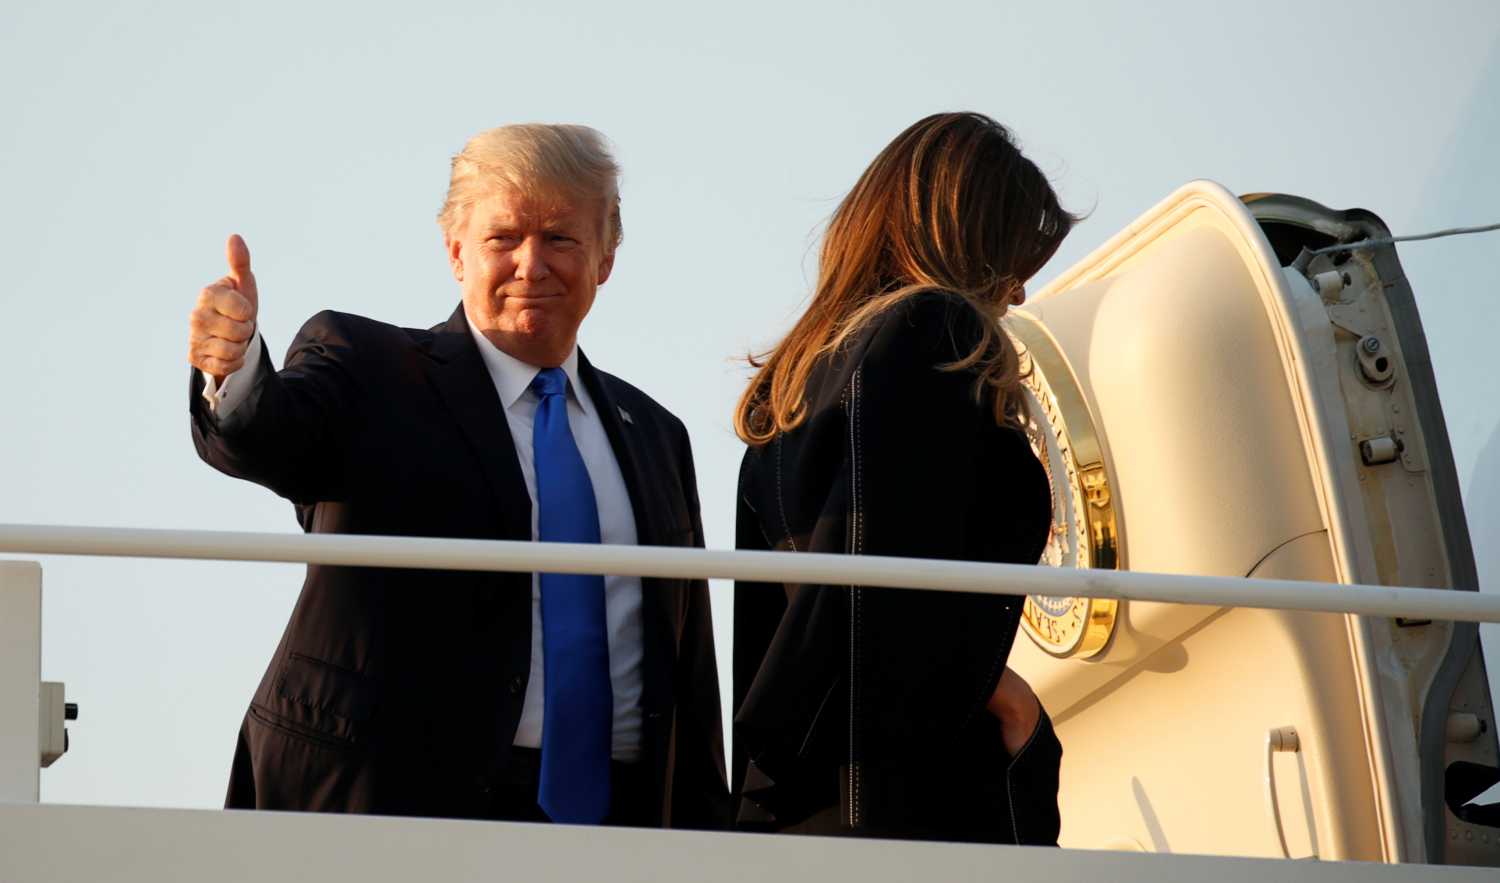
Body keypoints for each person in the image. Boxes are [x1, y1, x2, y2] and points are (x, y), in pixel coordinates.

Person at [187, 124, 726, 828]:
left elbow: (687, 666)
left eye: (560, 238)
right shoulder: (370, 368)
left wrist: (714, 830)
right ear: (455, 251)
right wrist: (235, 369)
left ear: (605, 258)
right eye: (503, 238)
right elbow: (275, 435)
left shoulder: (655, 434)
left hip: (615, 821)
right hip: (393, 808)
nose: (531, 264)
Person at [730, 112, 1074, 843]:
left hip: (803, 798)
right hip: (915, 803)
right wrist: (1010, 704)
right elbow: (890, 599)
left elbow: (796, 615)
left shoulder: (788, 385)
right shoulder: (935, 332)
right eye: (1012, 259)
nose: (1015, 294)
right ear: (967, 240)